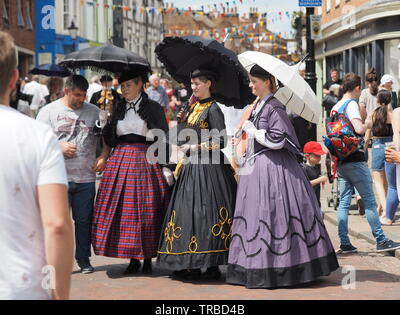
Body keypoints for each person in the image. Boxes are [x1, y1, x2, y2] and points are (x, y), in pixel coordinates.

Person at [225, 64, 338, 289]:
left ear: (267, 81)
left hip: (274, 169)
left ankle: (284, 268)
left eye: (254, 81)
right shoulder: (257, 105)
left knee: (274, 214)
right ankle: (258, 266)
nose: (250, 85)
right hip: (257, 168)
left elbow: (278, 140)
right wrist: (243, 140)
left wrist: (254, 131)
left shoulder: (275, 107)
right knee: (259, 215)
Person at [0, 31, 74, 300]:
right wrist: (60, 294)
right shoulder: (37, 136)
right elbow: (56, 224)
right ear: (14, 79)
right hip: (22, 287)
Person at [157, 68, 237, 281]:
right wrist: (182, 122)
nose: (193, 87)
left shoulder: (213, 109)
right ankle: (189, 261)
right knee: (188, 212)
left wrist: (196, 147)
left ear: (208, 83)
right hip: (191, 166)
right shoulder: (193, 107)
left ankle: (211, 262)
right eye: (192, 84)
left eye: (198, 84)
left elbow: (221, 141)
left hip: (209, 167)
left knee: (207, 212)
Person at [91, 69, 172, 275]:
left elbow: (161, 136)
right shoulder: (117, 107)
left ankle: (147, 258)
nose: (123, 89)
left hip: (146, 158)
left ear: (139, 85)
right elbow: (110, 139)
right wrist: (105, 120)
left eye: (127, 85)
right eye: (122, 85)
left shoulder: (153, 108)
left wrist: (164, 165)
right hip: (121, 159)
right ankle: (133, 257)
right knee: (124, 210)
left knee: (147, 208)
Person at [37, 75, 102, 274]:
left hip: (86, 178)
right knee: (57, 223)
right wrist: (58, 146)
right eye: (77, 95)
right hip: (57, 179)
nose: (81, 99)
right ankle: (55, 261)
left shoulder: (94, 112)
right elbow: (37, 141)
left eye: (84, 95)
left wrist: (104, 156)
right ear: (67, 91)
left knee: (84, 221)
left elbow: (106, 138)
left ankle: (83, 259)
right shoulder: (48, 111)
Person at [330, 72, 400, 253]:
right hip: (355, 159)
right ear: (358, 88)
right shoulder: (351, 104)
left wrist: (333, 160)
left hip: (341, 160)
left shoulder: (335, 107)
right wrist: (368, 122)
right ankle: (381, 239)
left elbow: (333, 136)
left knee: (344, 202)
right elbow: (359, 129)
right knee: (369, 200)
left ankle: (344, 242)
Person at [364, 90, 393, 218]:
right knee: (386, 182)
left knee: (378, 182)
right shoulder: (393, 115)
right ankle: (380, 209)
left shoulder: (373, 115)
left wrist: (363, 150)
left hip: (377, 146)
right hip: (391, 147)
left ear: (377, 100)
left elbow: (366, 137)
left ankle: (386, 211)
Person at [303, 141, 329, 208]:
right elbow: (304, 184)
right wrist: (319, 179)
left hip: (316, 201)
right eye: (316, 155)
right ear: (307, 156)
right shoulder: (304, 168)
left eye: (319, 155)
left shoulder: (316, 167)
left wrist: (320, 178)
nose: (319, 157)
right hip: (307, 202)